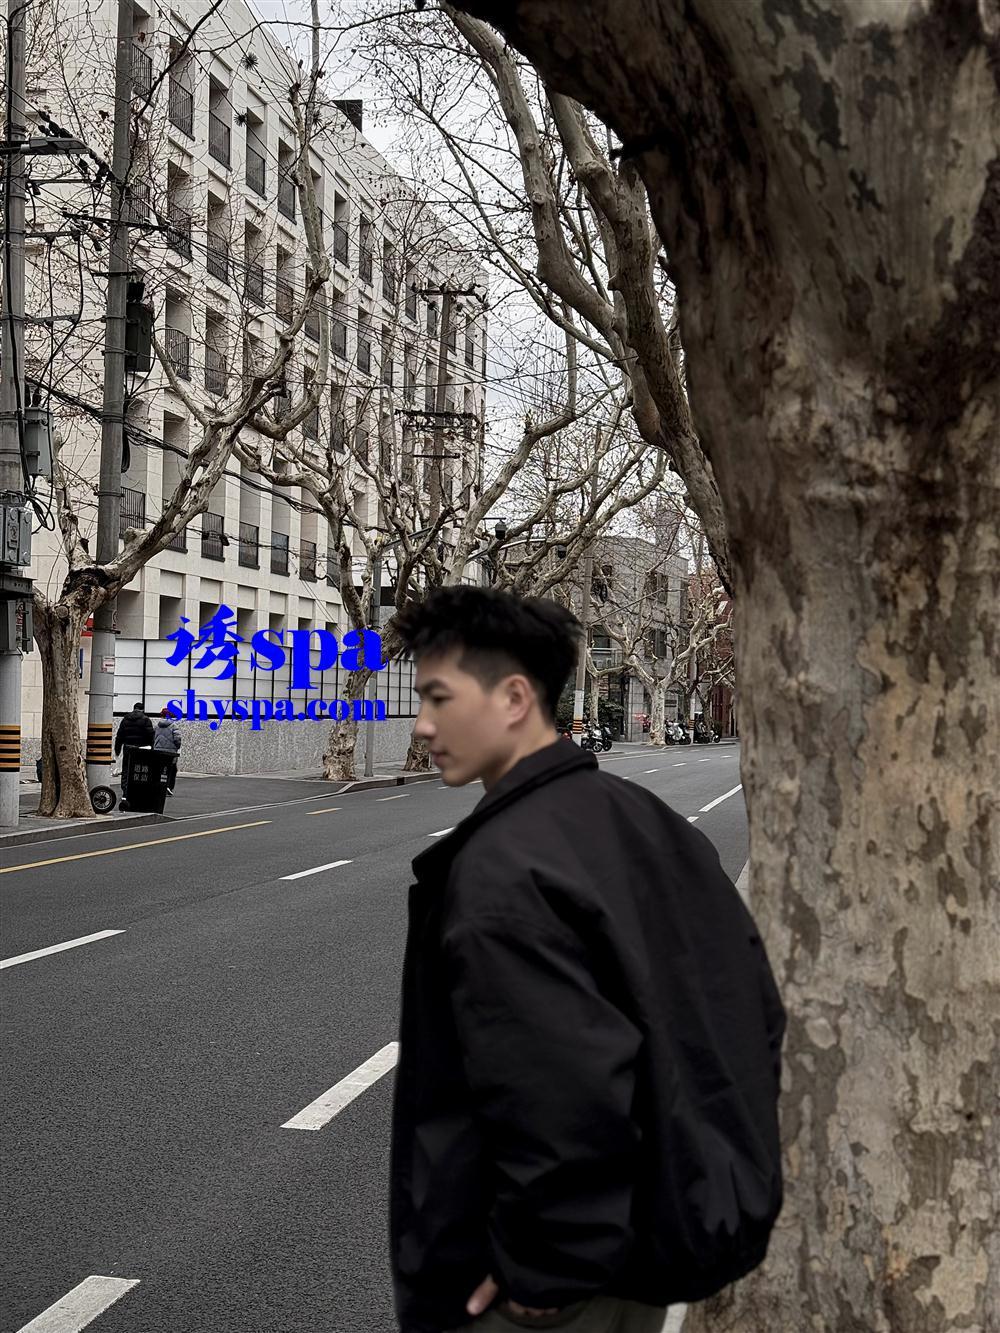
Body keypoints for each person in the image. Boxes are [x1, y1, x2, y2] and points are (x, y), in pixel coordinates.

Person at [390, 587, 786, 1333]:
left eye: (439, 698)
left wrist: (543, 1271)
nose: (423, 725)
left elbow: (561, 1087)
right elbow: (749, 1007)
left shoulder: (504, 871)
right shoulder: (648, 823)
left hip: (548, 1297)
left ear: (515, 697)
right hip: (640, 1253)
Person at [152, 707, 182, 795]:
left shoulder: (156, 726)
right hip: (171, 752)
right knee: (172, 769)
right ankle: (168, 787)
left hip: (158, 751)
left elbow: (152, 738)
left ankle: (159, 786)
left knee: (159, 769)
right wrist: (177, 747)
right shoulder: (174, 726)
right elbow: (177, 739)